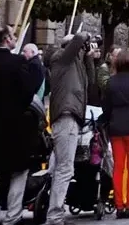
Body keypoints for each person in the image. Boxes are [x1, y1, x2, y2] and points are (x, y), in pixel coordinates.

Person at [0, 26, 43, 225]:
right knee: (19, 171)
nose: (15, 38)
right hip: (15, 127)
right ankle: (13, 214)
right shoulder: (18, 62)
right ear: (7, 39)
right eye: (13, 35)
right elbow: (29, 89)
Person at [47, 32, 99, 225]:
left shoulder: (75, 65)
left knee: (63, 166)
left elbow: (91, 82)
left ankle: (54, 210)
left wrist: (88, 58)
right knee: (64, 168)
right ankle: (55, 215)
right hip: (66, 116)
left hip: (72, 117)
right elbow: (76, 41)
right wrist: (85, 35)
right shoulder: (61, 59)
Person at [102, 49, 129, 218]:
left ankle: (118, 205)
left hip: (116, 127)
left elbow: (106, 106)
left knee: (118, 167)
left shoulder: (111, 82)